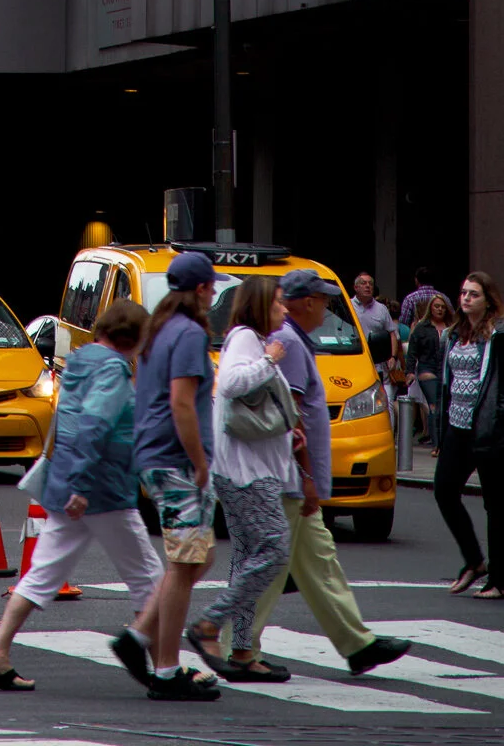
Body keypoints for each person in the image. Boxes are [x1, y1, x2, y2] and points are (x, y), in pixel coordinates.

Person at [0, 300, 161, 691]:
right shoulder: (112, 369)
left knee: (42, 573)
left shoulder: (79, 363)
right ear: (134, 338)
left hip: (72, 486)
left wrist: (72, 482)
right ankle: (165, 670)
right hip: (103, 489)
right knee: (151, 578)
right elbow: (94, 425)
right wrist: (83, 484)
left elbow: (70, 423)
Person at [248, 268, 409, 673]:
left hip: (297, 482)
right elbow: (293, 419)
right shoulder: (289, 341)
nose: (326, 307)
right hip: (291, 482)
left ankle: (357, 644)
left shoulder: (297, 341)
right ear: (305, 302)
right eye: (321, 300)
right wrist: (306, 479)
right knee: (272, 563)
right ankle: (231, 640)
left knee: (320, 563)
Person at [113, 251, 220, 703]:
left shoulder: (159, 330)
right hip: (175, 459)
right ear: (199, 290)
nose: (215, 294)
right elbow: (181, 402)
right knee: (183, 565)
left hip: (155, 456)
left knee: (197, 559)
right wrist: (198, 461)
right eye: (212, 287)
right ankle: (165, 669)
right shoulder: (191, 333)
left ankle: (138, 639)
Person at [185, 276, 298, 683]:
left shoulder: (247, 339)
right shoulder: (248, 339)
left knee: (249, 558)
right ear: (261, 304)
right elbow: (232, 384)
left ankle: (244, 652)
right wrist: (270, 359)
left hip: (249, 470)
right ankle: (209, 625)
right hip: (247, 474)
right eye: (279, 303)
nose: (285, 310)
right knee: (274, 553)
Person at [434, 271, 504, 596]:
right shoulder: (452, 335)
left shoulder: (497, 336)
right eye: (463, 292)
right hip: (456, 428)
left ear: (488, 300)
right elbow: (446, 383)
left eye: (473, 294)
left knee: (496, 504)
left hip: (487, 430)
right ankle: (475, 560)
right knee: (444, 491)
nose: (465, 298)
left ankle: (499, 578)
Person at [406, 292, 454, 452]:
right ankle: (437, 444)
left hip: (447, 368)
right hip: (427, 367)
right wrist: (410, 371)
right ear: (430, 308)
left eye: (442, 307)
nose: (440, 310)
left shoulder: (452, 327)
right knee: (434, 405)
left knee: (447, 405)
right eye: (436, 306)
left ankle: (445, 442)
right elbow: (412, 350)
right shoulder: (422, 327)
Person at [351, 273, 399, 405]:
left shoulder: (382, 309)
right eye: (363, 283)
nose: (368, 286)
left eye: (370, 283)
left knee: (386, 403)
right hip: (356, 362)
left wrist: (393, 357)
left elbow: (392, 334)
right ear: (356, 287)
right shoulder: (348, 307)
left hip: (379, 364)